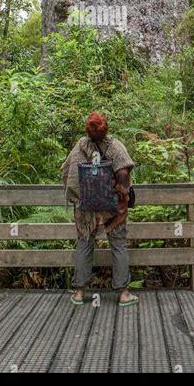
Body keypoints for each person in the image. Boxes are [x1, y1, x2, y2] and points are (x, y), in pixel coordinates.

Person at [61, 111, 139, 306]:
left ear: (88, 131)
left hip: (86, 207)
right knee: (118, 245)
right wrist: (124, 193)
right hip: (111, 207)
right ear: (106, 129)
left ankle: (79, 293)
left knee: (84, 244)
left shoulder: (78, 148)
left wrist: (80, 196)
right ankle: (123, 294)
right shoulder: (115, 147)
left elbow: (67, 174)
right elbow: (122, 175)